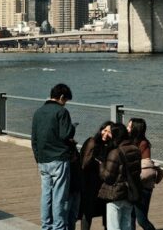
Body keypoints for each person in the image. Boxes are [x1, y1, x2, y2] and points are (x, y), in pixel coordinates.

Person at [31, 83, 76, 230]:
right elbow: (65, 134)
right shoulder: (61, 112)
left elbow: (34, 139)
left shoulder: (38, 112)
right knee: (59, 197)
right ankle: (59, 227)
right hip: (59, 159)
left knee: (46, 195)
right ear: (62, 97)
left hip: (43, 160)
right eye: (66, 100)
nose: (65, 104)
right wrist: (73, 128)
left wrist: (38, 158)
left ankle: (46, 226)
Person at [99, 123, 142, 230]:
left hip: (115, 193)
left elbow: (108, 176)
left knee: (113, 226)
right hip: (130, 192)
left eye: (111, 133)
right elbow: (137, 171)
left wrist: (101, 165)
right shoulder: (135, 149)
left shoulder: (115, 152)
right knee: (126, 224)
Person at [79, 121, 114, 230]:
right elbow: (84, 163)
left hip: (103, 184)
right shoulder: (92, 142)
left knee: (106, 210)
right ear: (100, 130)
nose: (106, 134)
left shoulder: (112, 146)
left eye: (109, 132)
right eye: (104, 130)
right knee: (87, 211)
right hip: (90, 182)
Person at [128, 118, 156, 230]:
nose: (127, 128)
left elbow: (145, 165)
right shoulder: (130, 142)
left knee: (142, 219)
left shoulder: (143, 144)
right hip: (133, 184)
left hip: (143, 186)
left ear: (136, 129)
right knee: (131, 216)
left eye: (129, 126)